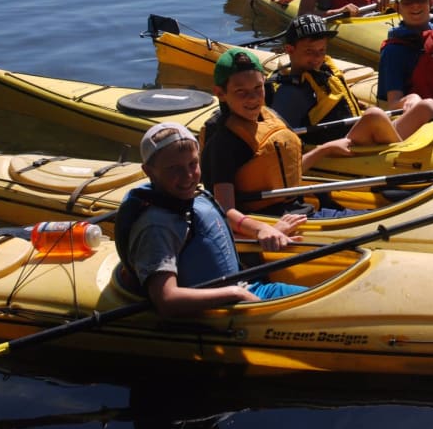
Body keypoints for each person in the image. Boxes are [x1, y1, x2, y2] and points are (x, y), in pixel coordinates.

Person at [115, 122, 306, 318]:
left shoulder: (193, 196)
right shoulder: (156, 227)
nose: (188, 176)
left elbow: (218, 218)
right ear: (149, 171)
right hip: (226, 310)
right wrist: (234, 293)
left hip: (246, 289)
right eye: (174, 169)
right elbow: (166, 299)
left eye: (193, 164)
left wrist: (260, 229)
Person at [200, 48, 357, 218]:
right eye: (241, 92)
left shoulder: (271, 116)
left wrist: (325, 149)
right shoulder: (224, 142)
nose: (253, 97)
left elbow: (284, 170)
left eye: (258, 88)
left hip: (300, 211)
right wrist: (262, 230)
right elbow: (224, 211)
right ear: (220, 93)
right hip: (273, 222)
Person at [269, 13, 433, 149]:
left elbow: (339, 103)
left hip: (362, 138)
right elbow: (282, 142)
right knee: (374, 116)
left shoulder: (323, 71)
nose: (317, 57)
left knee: (428, 106)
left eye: (321, 50)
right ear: (289, 49)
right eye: (309, 51)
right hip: (344, 151)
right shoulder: (289, 92)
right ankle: (400, 158)